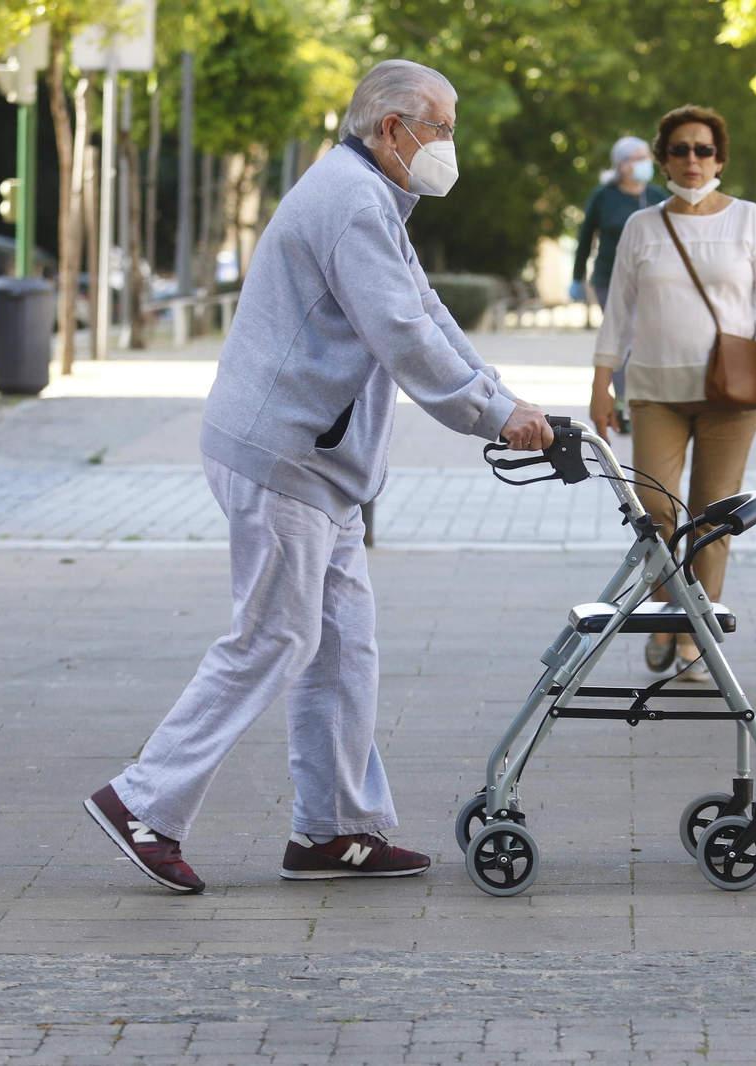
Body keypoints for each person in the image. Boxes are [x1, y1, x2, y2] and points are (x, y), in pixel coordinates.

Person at [83, 60, 555, 894]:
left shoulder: (373, 198)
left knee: (342, 648)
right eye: (441, 128)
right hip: (284, 458)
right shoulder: (350, 201)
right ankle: (142, 800)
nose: (450, 144)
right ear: (391, 130)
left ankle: (335, 831)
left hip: (319, 466)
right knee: (277, 635)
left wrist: (505, 398)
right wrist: (490, 415)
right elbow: (403, 334)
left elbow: (428, 311)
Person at [591, 104, 756, 683]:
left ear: (720, 158)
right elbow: (619, 313)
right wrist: (601, 383)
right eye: (679, 149)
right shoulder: (642, 226)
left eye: (702, 149)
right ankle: (667, 615)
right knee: (655, 514)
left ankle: (690, 638)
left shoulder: (749, 220)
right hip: (654, 391)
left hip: (731, 397)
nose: (691, 160)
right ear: (662, 159)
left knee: (710, 520)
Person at [571, 136, 669, 432]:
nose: (644, 163)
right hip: (610, 280)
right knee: (621, 340)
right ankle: (625, 406)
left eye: (646, 157)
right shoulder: (604, 196)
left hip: (651, 281)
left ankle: (649, 403)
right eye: (637, 158)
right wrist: (576, 278)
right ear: (623, 164)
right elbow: (585, 238)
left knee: (646, 341)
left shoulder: (657, 195)